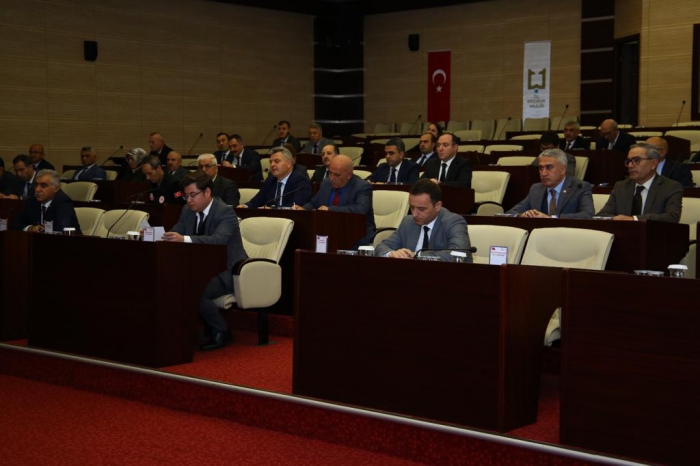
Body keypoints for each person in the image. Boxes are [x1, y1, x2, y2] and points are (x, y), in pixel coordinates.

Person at [162, 171, 247, 351]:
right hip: (200, 267)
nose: (189, 200)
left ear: (207, 192)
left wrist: (184, 239)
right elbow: (175, 232)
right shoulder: (187, 211)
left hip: (228, 270)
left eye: (193, 195)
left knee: (194, 289)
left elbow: (218, 240)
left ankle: (222, 331)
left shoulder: (225, 212)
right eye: (186, 196)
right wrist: (156, 235)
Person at [375, 179, 472, 262]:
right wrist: (392, 253)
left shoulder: (454, 222)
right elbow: (382, 246)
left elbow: (458, 254)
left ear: (437, 206)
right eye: (412, 207)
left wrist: (417, 256)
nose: (414, 214)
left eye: (421, 209)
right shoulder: (408, 222)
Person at [295, 155, 375, 246]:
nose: (332, 178)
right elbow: (314, 203)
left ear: (349, 175)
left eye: (337, 175)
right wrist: (303, 209)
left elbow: (360, 210)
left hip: (355, 234)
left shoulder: (362, 187)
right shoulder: (326, 183)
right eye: (330, 173)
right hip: (327, 233)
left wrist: (330, 210)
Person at [596, 143, 683, 222]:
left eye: (636, 160)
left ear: (653, 164)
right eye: (628, 161)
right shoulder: (621, 186)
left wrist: (634, 219)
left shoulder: (671, 187)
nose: (630, 165)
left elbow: (672, 217)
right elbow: (602, 215)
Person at [507, 149, 594, 218]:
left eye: (549, 167)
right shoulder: (536, 189)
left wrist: (551, 218)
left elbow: (588, 215)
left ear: (563, 169)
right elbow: (510, 213)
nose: (543, 173)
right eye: (541, 168)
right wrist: (523, 215)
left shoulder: (579, 187)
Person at [238, 146, 312, 208]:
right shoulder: (270, 180)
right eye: (270, 162)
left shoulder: (301, 181)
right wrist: (245, 206)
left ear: (289, 163)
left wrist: (272, 209)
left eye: (276, 161)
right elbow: (256, 201)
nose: (272, 165)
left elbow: (295, 206)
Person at [12, 170, 81, 234]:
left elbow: (62, 229)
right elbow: (14, 224)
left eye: (43, 185)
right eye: (36, 185)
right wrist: (30, 228)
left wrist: (43, 229)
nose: (37, 190)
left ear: (56, 188)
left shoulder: (63, 202)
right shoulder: (32, 201)